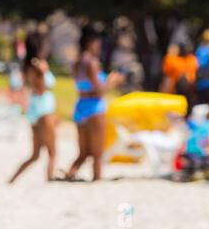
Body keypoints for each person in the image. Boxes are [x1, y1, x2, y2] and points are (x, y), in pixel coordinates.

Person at [65, 26, 123, 181]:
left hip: (80, 107)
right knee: (97, 153)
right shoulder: (91, 62)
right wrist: (112, 80)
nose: (99, 45)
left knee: (83, 152)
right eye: (98, 42)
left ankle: (70, 174)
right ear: (91, 42)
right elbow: (99, 90)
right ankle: (97, 179)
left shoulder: (77, 62)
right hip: (94, 108)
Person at [9, 53, 58, 183]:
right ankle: (50, 179)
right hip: (44, 110)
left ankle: (12, 179)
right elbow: (43, 80)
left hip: (34, 110)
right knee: (52, 152)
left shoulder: (30, 70)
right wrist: (42, 67)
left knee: (35, 155)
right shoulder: (40, 69)